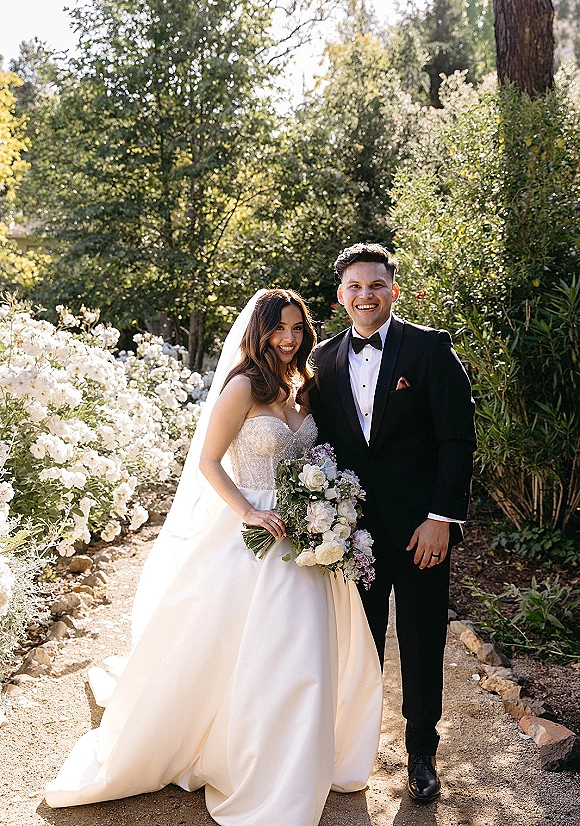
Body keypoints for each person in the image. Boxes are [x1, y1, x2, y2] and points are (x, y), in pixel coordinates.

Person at [45, 289, 383, 826]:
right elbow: (208, 461)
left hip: (307, 534)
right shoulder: (243, 387)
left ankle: (295, 761)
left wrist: (328, 505)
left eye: (298, 328)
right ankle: (246, 763)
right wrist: (248, 512)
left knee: (305, 654)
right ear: (260, 331)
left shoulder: (304, 386)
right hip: (253, 534)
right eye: (280, 329)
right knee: (242, 649)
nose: (290, 338)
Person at [309, 244, 476, 804]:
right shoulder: (323, 361)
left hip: (421, 531)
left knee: (423, 641)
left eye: (375, 284)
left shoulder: (430, 349)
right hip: (352, 533)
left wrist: (441, 519)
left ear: (393, 290)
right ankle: (353, 747)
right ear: (340, 296)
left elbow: (457, 438)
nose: (365, 295)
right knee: (359, 644)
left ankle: (421, 755)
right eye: (354, 286)